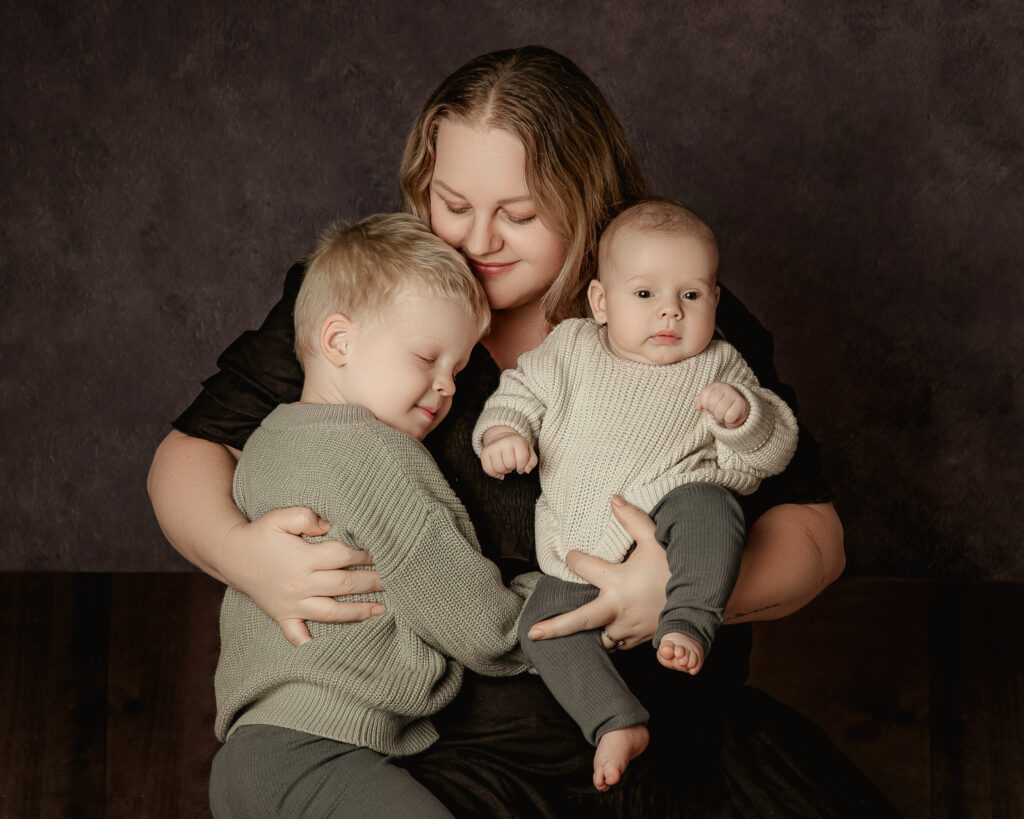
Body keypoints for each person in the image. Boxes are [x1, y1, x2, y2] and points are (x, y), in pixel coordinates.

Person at [149, 45, 895, 817]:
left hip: (669, 729)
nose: (479, 241)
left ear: (587, 198)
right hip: (446, 750)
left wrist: (678, 594)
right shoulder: (376, 296)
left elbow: (817, 536)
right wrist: (242, 555)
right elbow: (189, 453)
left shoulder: (672, 304)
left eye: (520, 215)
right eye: (452, 205)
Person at [473, 199, 799, 790]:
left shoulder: (720, 366)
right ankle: (614, 720)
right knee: (540, 626)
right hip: (578, 548)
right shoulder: (571, 348)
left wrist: (744, 417)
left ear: (715, 301)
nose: (670, 311)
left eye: (691, 295)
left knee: (711, 506)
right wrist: (504, 432)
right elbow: (519, 391)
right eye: (645, 294)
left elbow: (765, 458)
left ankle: (689, 619)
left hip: (670, 520)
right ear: (601, 302)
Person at [210, 214, 528, 817]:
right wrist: (558, 606)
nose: (446, 387)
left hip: (250, 752)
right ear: (339, 342)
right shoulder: (379, 455)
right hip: (316, 751)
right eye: (427, 358)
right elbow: (471, 621)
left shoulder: (266, 442)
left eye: (457, 372)